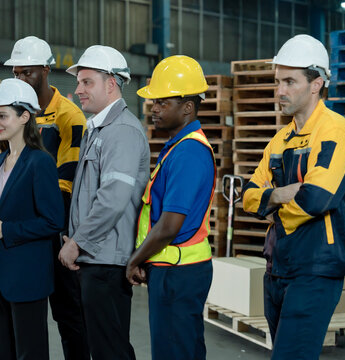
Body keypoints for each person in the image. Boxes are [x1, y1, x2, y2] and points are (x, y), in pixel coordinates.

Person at [243, 34, 345, 359]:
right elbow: (250, 197)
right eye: (278, 81)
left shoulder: (335, 131)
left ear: (316, 83)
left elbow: (317, 198)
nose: (280, 91)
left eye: (290, 81)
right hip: (277, 267)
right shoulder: (280, 140)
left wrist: (273, 203)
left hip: (317, 267)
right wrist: (282, 194)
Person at [59, 45, 150, 360]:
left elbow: (112, 200)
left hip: (107, 259)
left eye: (87, 82)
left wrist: (77, 242)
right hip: (94, 257)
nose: (79, 90)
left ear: (111, 83)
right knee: (104, 347)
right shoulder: (99, 128)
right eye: (79, 82)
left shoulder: (122, 131)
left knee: (109, 349)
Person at [3, 35, 89, 360]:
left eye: (28, 72)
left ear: (46, 69)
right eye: (16, 73)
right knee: (26, 316)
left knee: (69, 315)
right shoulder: (14, 115)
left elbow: (68, 181)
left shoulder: (69, 117)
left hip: (56, 230)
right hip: (23, 233)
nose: (22, 79)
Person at [126, 56, 215, 360]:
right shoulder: (178, 147)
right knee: (178, 348)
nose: (154, 108)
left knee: (176, 351)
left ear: (187, 107)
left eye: (162, 102)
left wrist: (134, 260)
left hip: (179, 273)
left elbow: (169, 225)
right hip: (171, 269)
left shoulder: (189, 151)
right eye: (154, 102)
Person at [0, 78, 65, 360]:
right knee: (5, 354)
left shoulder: (40, 162)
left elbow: (53, 220)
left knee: (30, 353)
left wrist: (7, 230)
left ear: (25, 116)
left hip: (27, 277)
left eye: (2, 116)